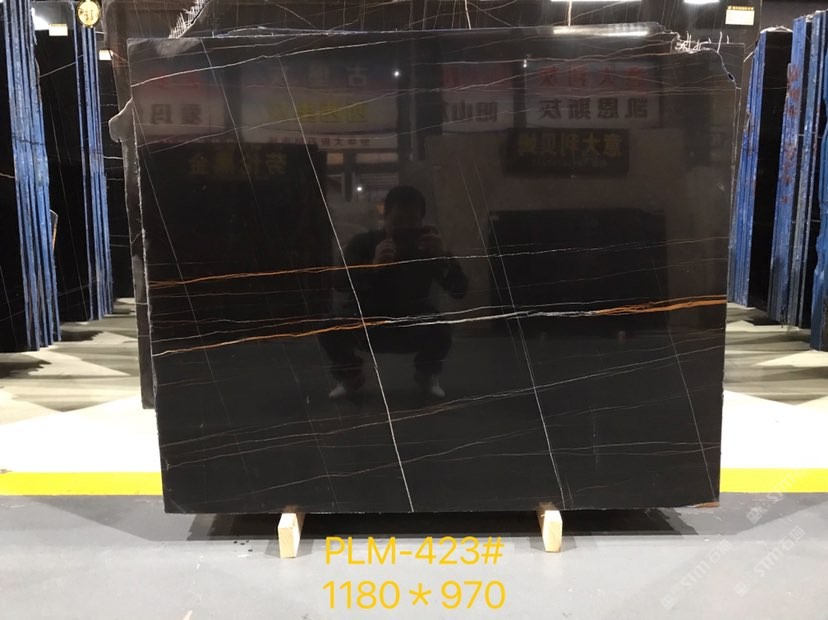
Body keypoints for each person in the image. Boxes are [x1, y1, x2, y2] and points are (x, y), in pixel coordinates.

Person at [321, 185, 468, 399]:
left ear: (422, 222)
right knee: (329, 325)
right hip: (367, 321)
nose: (405, 227)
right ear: (386, 217)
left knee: (442, 327)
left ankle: (426, 374)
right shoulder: (365, 242)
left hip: (412, 322)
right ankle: (350, 375)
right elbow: (339, 284)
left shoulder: (427, 248)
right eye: (398, 220)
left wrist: (444, 256)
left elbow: (459, 291)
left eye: (412, 221)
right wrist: (372, 266)